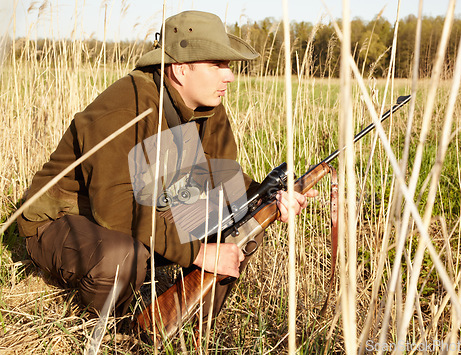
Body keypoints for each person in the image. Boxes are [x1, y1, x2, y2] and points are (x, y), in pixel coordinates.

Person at [17, 10, 317, 321]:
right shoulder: (125, 106)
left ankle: (184, 324)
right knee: (122, 257)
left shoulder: (209, 107)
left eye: (228, 66)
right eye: (217, 64)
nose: (228, 76)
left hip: (144, 209)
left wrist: (265, 197)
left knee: (243, 226)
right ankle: (121, 328)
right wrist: (199, 253)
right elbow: (115, 207)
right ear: (180, 69)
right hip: (66, 218)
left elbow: (221, 176)